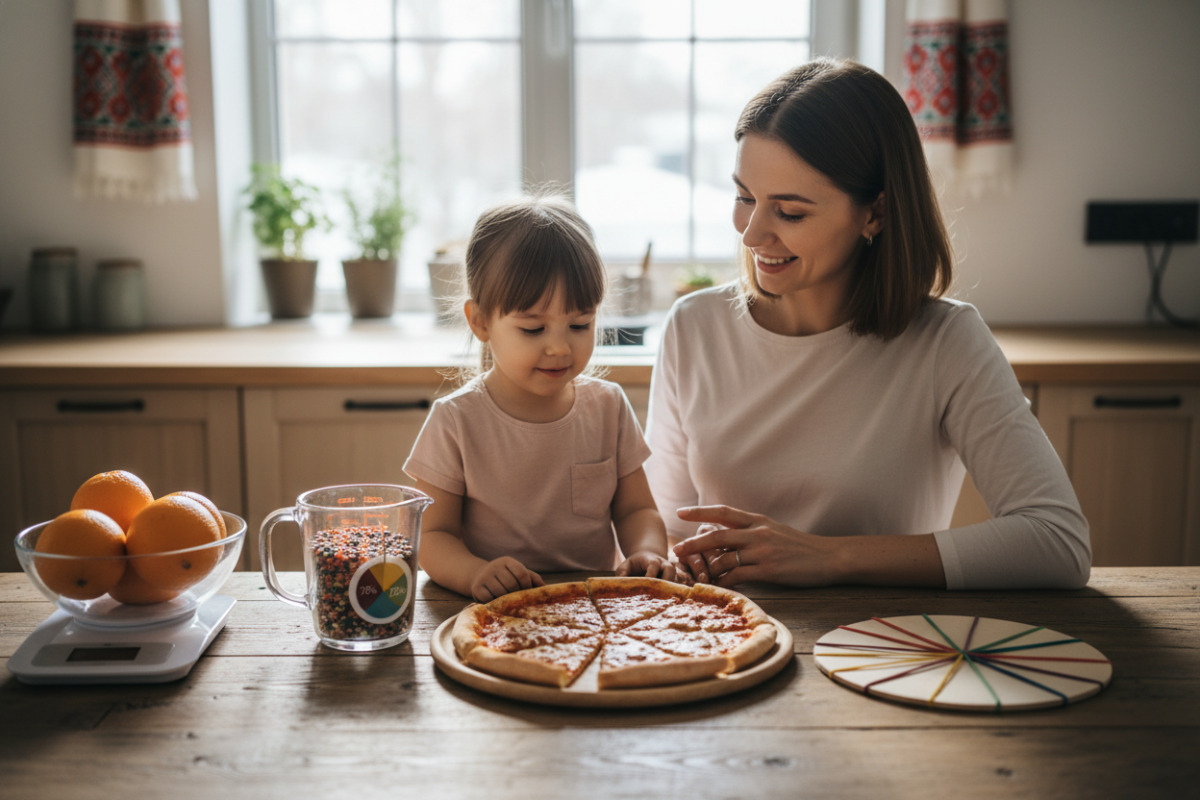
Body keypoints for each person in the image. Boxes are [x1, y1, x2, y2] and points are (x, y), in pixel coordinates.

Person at [647, 58, 1090, 591]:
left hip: (889, 647)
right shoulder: (694, 327)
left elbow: (1057, 541)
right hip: (730, 636)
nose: (752, 234)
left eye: (789, 212)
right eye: (745, 198)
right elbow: (667, 527)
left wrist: (830, 558)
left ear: (874, 213)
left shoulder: (945, 342)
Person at [404, 193, 678, 602]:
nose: (560, 348)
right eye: (533, 330)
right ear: (480, 321)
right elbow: (432, 537)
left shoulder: (608, 406)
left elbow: (637, 511)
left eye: (580, 325)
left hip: (592, 611)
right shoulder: (455, 420)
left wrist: (649, 551)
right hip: (496, 616)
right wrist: (474, 573)